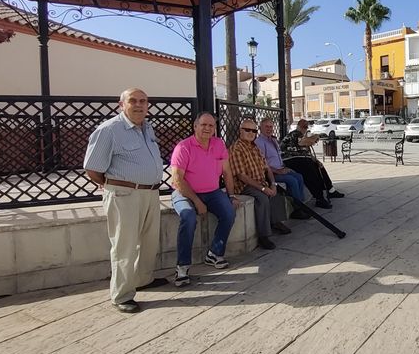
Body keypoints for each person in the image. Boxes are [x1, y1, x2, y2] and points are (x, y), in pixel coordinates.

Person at [84, 88, 165, 313]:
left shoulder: (147, 128)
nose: (139, 105)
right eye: (133, 101)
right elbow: (93, 168)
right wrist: (114, 185)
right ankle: (122, 294)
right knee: (124, 246)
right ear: (122, 104)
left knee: (149, 242)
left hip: (150, 193)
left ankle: (143, 279)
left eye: (143, 101)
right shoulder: (109, 130)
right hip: (124, 195)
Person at [169, 112, 240, 288]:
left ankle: (214, 253)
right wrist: (197, 201)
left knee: (229, 213)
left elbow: (227, 172)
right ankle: (182, 267)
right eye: (203, 125)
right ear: (195, 126)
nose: (207, 128)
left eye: (211, 126)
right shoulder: (184, 147)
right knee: (188, 217)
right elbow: (178, 179)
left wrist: (230, 195)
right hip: (185, 192)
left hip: (213, 191)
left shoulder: (218, 144)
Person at [229, 119, 289, 250]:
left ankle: (276, 222)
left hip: (260, 181)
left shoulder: (255, 148)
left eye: (254, 130)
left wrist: (272, 183)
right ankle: (264, 235)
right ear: (240, 131)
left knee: (277, 191)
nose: (251, 133)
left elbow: (267, 168)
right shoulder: (236, 149)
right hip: (244, 186)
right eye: (247, 130)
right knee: (262, 198)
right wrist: (263, 188)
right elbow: (241, 176)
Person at [280, 118, 345, 201]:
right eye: (303, 127)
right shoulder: (295, 134)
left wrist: (316, 160)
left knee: (319, 166)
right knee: (310, 169)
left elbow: (307, 152)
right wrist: (315, 137)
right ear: (298, 126)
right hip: (290, 159)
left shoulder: (302, 136)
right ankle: (319, 196)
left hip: (300, 159)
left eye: (306, 127)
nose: (305, 129)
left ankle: (330, 190)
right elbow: (303, 142)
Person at [254, 118, 312, 208]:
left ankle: (301, 204)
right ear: (260, 128)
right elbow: (261, 164)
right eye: (266, 127)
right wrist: (277, 171)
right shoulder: (260, 142)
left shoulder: (273, 140)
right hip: (270, 173)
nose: (269, 129)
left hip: (280, 168)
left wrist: (284, 168)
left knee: (299, 177)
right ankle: (298, 208)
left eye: (271, 127)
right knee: (292, 180)